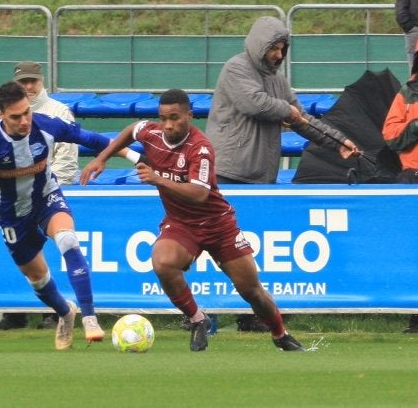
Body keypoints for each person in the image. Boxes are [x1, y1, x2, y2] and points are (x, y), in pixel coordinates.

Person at [80, 88, 305, 352]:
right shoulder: (152, 134)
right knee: (163, 262)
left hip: (218, 225)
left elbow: (199, 194)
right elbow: (132, 129)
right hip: (181, 224)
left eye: (175, 118)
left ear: (190, 115)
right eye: (163, 118)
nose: (168, 125)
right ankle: (198, 319)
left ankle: (280, 334)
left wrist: (157, 178)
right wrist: (102, 158)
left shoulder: (201, 148)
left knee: (251, 290)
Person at [0, 80, 142, 350]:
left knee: (67, 240)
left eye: (26, 112)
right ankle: (65, 313)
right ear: (1, 115)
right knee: (38, 280)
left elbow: (93, 140)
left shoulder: (46, 124)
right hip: (11, 216)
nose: (24, 120)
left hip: (46, 198)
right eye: (16, 117)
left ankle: (89, 317)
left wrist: (136, 158)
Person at [205, 15, 360, 332]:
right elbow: (254, 103)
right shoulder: (235, 68)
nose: (278, 54)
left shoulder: (278, 81)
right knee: (215, 249)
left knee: (248, 253)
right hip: (227, 173)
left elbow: (300, 118)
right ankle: (202, 313)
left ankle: (251, 315)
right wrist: (286, 111)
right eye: (274, 47)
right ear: (259, 44)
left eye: (282, 48)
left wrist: (337, 142)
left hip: (261, 179)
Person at [0, 61, 77, 331]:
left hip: (47, 192)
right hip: (12, 197)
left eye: (32, 81)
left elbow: (67, 159)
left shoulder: (58, 111)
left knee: (61, 245)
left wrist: (43, 183)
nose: (29, 86)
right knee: (24, 256)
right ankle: (15, 313)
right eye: (23, 82)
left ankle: (53, 315)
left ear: (42, 81)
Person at [382, 30, 418, 333]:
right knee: (415, 252)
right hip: (414, 184)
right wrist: (417, 126)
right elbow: (390, 136)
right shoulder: (406, 93)